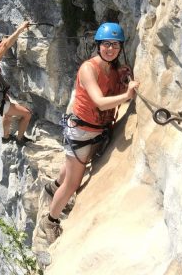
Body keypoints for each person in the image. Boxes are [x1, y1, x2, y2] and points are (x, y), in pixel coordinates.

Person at [39, 22, 140, 243]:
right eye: (106, 45)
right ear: (98, 45)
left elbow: (113, 87)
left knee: (73, 165)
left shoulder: (113, 69)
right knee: (73, 183)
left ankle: (52, 187)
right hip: (82, 133)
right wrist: (127, 96)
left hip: (95, 129)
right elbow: (100, 102)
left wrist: (124, 81)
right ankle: (50, 220)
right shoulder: (88, 69)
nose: (110, 49)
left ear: (121, 47)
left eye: (115, 45)